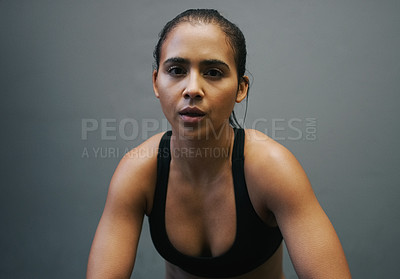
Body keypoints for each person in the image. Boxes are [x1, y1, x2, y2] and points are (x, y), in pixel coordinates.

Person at [87, 9, 351, 279]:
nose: (192, 89)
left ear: (241, 88)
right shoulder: (139, 171)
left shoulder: (272, 168)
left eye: (213, 72)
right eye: (176, 70)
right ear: (156, 82)